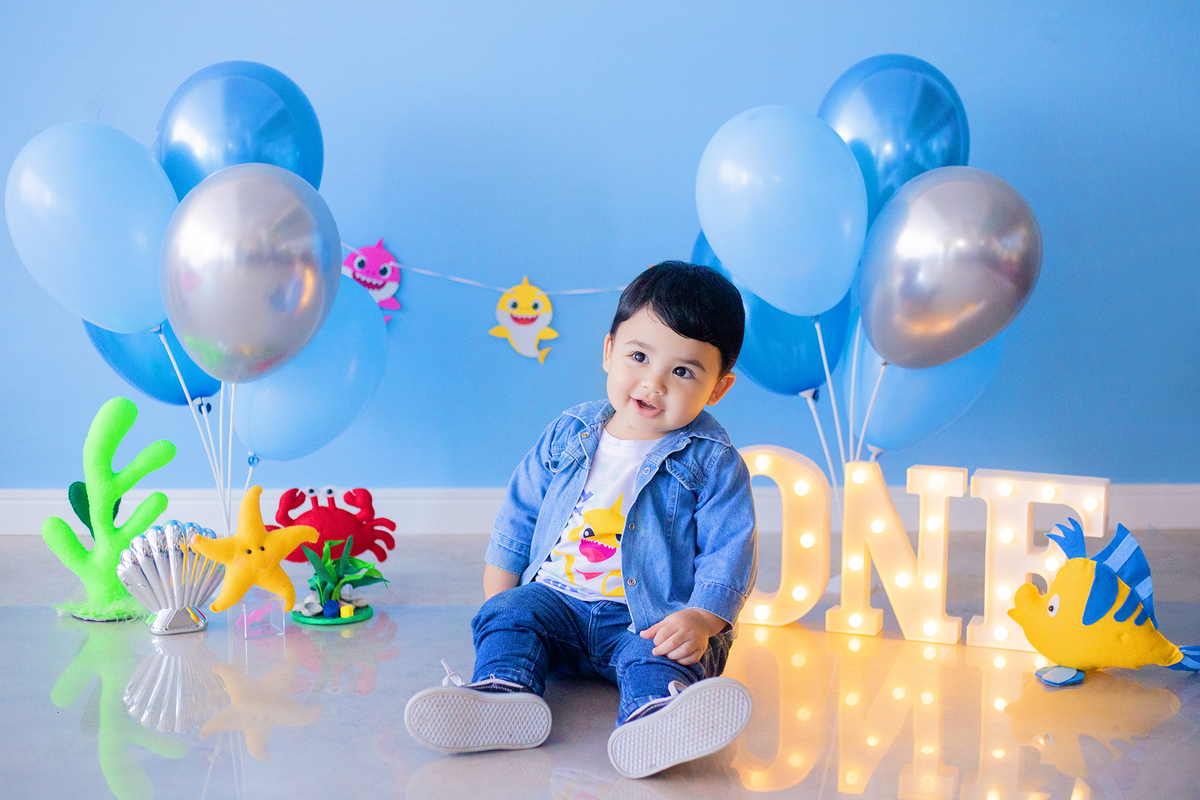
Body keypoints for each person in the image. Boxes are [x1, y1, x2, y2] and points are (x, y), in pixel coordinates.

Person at [404, 261, 757, 779]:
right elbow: (520, 512)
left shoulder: (712, 459)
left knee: (657, 654)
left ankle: (656, 716)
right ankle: (502, 694)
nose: (653, 383)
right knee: (513, 618)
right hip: (557, 603)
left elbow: (730, 549)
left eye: (682, 371)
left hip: (649, 614)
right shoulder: (570, 431)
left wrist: (702, 620)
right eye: (639, 356)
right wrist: (500, 598)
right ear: (610, 349)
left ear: (718, 388)